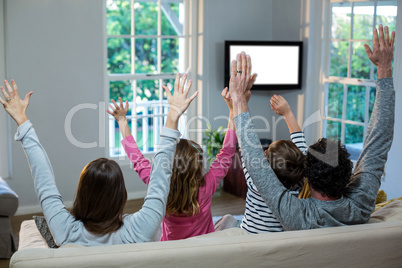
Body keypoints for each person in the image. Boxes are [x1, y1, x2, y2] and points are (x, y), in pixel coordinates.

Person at [228, 24, 395, 230]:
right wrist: (385, 70)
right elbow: (378, 144)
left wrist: (238, 99)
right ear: (348, 175)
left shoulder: (297, 215)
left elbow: (256, 167)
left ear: (308, 177)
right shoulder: (361, 205)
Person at [0, 74, 197, 246]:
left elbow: (43, 180)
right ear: (121, 196)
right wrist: (173, 115)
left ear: (82, 194)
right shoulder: (141, 229)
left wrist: (21, 120)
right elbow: (160, 182)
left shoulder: (65, 232)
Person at [107, 73, 255, 241]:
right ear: (198, 167)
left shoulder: (159, 185)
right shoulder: (207, 185)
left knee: (152, 229)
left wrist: (121, 121)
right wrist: (232, 112)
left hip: (171, 246)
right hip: (204, 245)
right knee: (229, 220)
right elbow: (227, 153)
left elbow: (137, 159)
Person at [215, 93, 307, 233]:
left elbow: (246, 145)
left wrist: (238, 106)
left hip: (249, 235)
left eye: (266, 151)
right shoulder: (300, 178)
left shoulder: (256, 181)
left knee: (228, 219)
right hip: (275, 238)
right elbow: (301, 148)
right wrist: (288, 113)